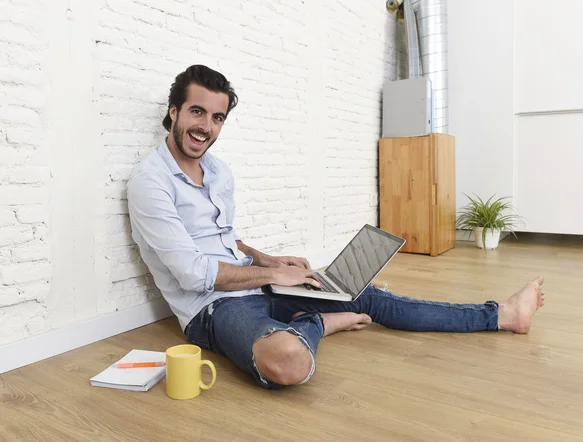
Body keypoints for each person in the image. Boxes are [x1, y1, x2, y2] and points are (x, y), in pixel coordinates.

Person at [127, 65, 546, 389]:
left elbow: (220, 238)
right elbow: (192, 272)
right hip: (214, 306)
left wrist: (267, 259)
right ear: (174, 111)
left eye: (217, 117)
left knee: (371, 296)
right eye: (197, 111)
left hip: (255, 281)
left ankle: (503, 315)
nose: (206, 126)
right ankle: (322, 323)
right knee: (290, 362)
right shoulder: (150, 182)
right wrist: (274, 275)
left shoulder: (218, 172)